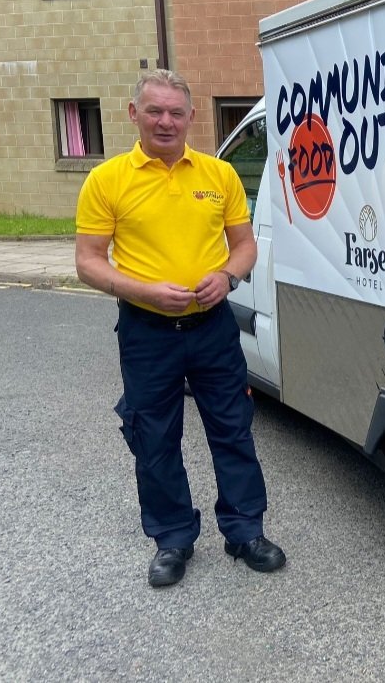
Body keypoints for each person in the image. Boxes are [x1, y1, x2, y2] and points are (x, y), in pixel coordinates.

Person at [75, 69, 285, 587]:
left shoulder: (219, 175)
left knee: (232, 429)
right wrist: (143, 291)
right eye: (154, 111)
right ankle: (172, 538)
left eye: (175, 112)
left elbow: (245, 246)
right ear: (134, 114)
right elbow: (88, 262)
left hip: (212, 328)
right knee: (154, 438)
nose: (165, 121)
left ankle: (245, 531)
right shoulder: (106, 181)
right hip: (146, 332)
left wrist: (228, 277)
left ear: (191, 117)